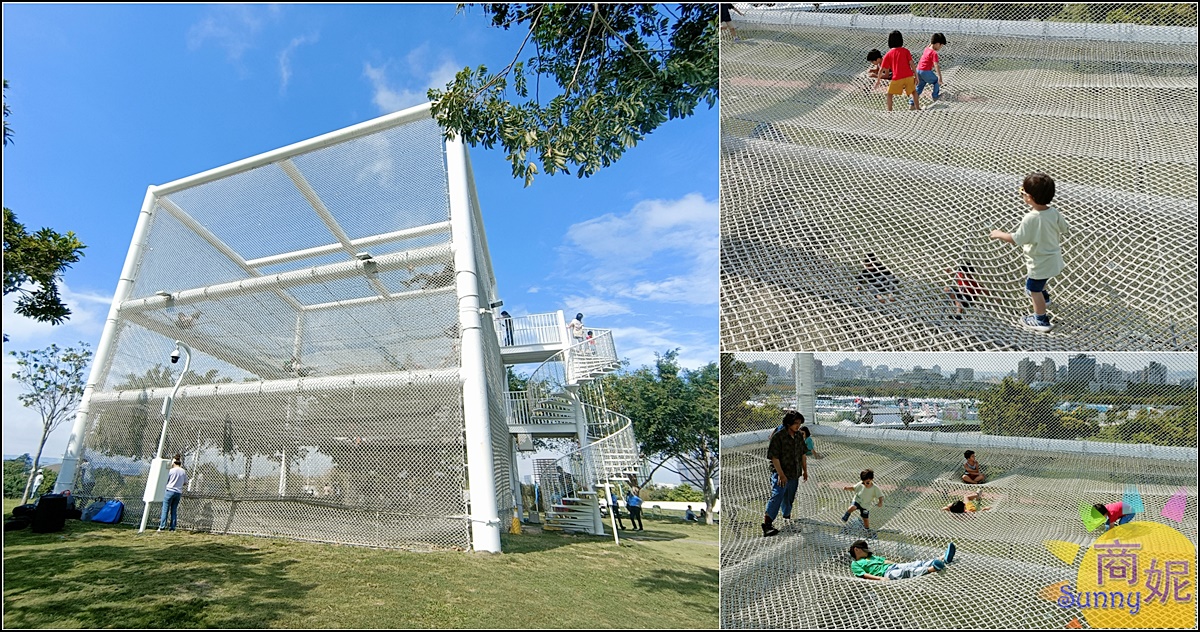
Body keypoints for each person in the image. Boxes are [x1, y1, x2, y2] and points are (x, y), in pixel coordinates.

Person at [989, 173, 1070, 333]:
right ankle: (1045, 298)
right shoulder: (1053, 212)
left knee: (1033, 288)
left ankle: (1041, 320)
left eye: (1022, 192)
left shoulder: (1030, 218)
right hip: (1053, 259)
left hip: (1038, 262)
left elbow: (1017, 239)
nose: (1021, 194)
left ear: (1029, 197)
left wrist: (999, 234)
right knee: (1040, 281)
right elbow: (1065, 228)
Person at [762, 411, 808, 537]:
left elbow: (803, 454)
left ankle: (787, 519)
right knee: (777, 495)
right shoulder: (779, 436)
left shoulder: (799, 436)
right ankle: (767, 524)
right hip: (781, 473)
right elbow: (774, 457)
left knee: (789, 498)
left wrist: (805, 470)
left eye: (799, 423)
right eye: (796, 423)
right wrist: (781, 474)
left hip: (795, 472)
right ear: (788, 423)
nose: (798, 426)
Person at [849, 539, 956, 581]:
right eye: (864, 550)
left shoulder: (870, 557)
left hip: (892, 567)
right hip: (885, 574)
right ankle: (932, 568)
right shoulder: (855, 563)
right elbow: (863, 575)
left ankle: (942, 559)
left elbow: (885, 561)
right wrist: (879, 578)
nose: (867, 551)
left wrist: (898, 564)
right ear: (857, 550)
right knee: (906, 572)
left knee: (914, 564)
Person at [872, 30, 919, 111]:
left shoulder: (888, 54)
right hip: (909, 76)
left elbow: (881, 70)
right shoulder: (906, 51)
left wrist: (878, 81)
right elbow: (912, 64)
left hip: (897, 78)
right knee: (914, 92)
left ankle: (889, 111)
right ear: (901, 40)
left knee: (889, 94)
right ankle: (918, 108)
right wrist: (916, 76)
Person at [159, 455, 189, 532]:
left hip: (169, 491)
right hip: (178, 492)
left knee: (165, 509)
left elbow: (166, 480)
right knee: (174, 510)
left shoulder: (171, 471)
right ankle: (172, 527)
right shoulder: (183, 471)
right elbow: (185, 482)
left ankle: (162, 526)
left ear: (173, 462)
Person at [915, 33, 947, 103]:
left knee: (919, 88)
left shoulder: (926, 49)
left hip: (918, 71)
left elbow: (930, 44)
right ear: (938, 44)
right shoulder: (934, 53)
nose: (940, 48)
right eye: (941, 46)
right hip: (925, 72)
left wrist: (933, 40)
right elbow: (936, 65)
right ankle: (935, 96)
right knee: (936, 81)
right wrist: (939, 77)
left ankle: (912, 104)